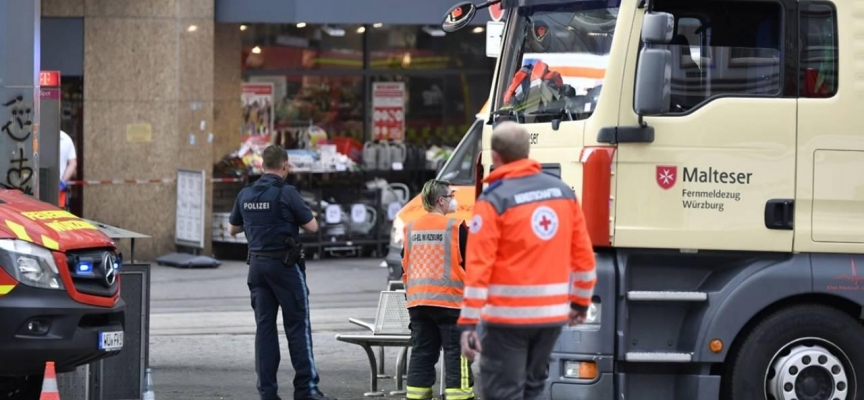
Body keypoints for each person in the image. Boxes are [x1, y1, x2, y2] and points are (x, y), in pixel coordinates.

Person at [458, 121, 597, 400]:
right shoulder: (562, 193)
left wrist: (468, 323)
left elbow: (479, 268)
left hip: (506, 319)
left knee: (504, 393)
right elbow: (583, 257)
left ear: (495, 157)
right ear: (527, 151)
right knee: (533, 389)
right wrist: (580, 304)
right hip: (550, 318)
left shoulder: (494, 200)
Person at [228, 144, 335, 400]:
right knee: (298, 327)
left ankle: (267, 393)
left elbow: (233, 229)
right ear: (285, 166)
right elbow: (311, 226)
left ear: (262, 165)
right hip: (285, 268)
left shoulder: (245, 194)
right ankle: (306, 390)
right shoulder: (287, 193)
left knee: (264, 329)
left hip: (257, 268)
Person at [400, 179, 474, 400]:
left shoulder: (410, 228)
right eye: (451, 196)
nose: (455, 200)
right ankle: (460, 397)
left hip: (418, 303)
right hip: (450, 303)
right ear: (441, 201)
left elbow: (403, 264)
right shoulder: (456, 227)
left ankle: (415, 396)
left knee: (422, 353)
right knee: (456, 354)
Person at [59, 130, 77, 210]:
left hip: (39, 187)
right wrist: (63, 181)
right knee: (57, 216)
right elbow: (72, 163)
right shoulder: (66, 138)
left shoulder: (37, 135)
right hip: (59, 187)